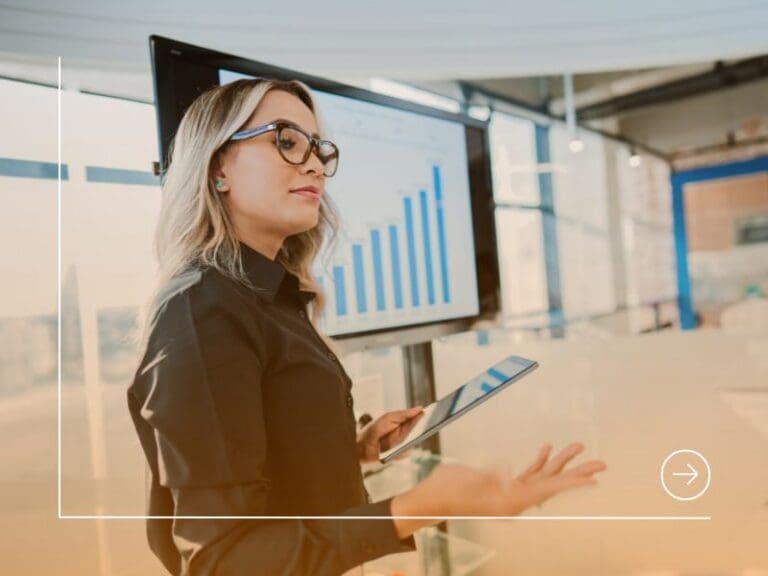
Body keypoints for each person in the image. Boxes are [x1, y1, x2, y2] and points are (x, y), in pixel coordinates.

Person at [127, 78, 606, 576]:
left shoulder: (268, 298)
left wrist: (346, 449)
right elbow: (224, 560)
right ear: (217, 166)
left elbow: (259, 463)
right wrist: (419, 506)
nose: (314, 164)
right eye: (286, 141)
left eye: (318, 148)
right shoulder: (203, 312)